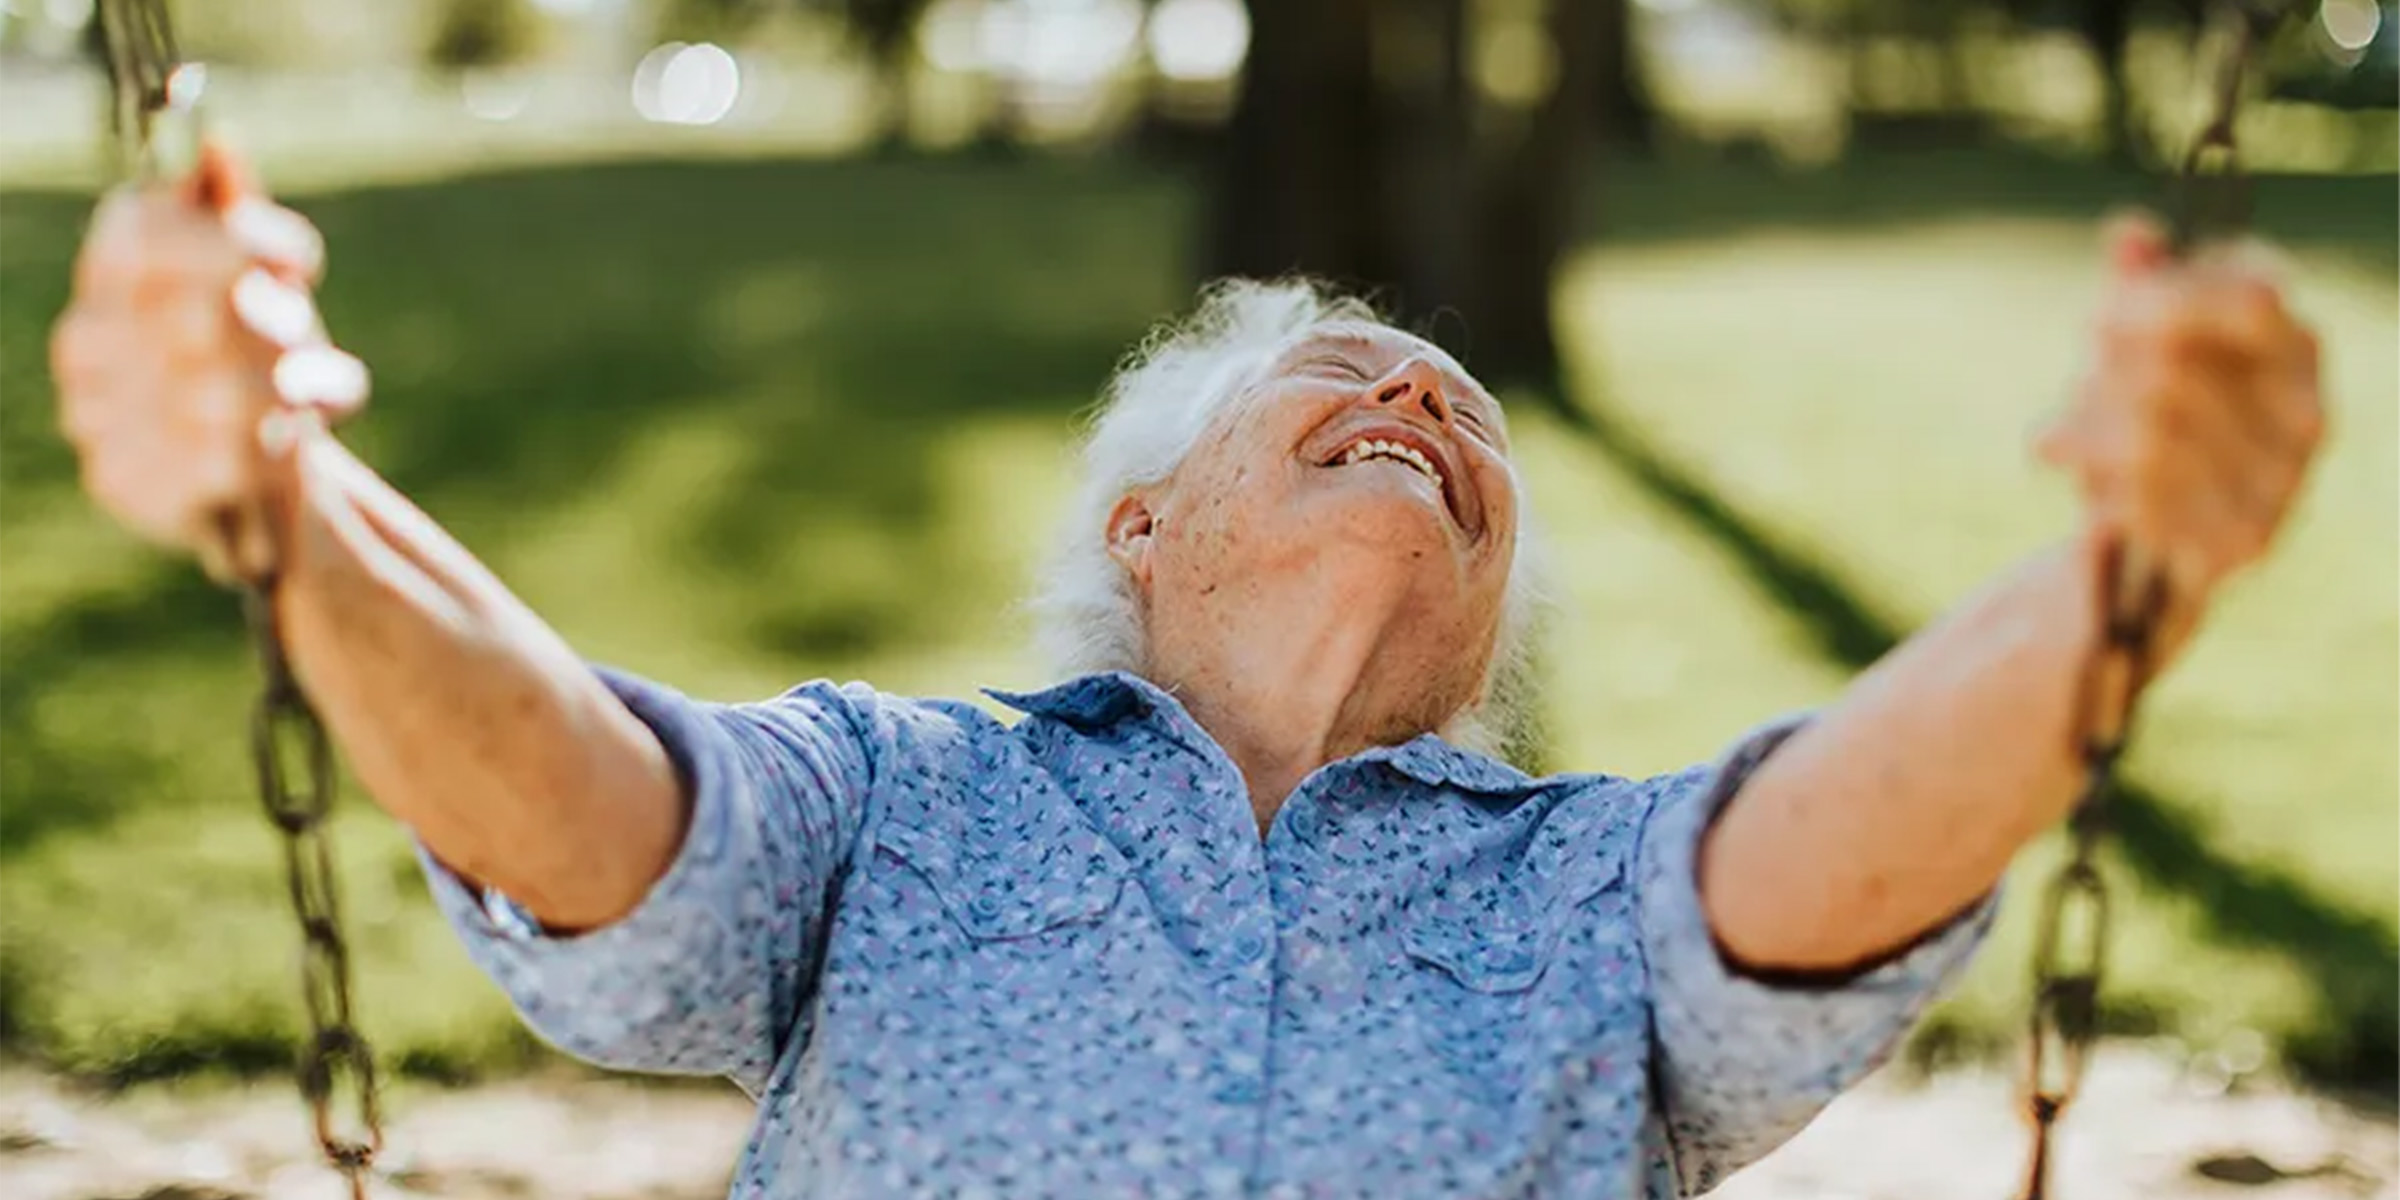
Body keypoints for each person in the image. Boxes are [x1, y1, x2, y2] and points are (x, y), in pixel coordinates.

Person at [50, 145, 2325, 1199]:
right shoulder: (896, 797)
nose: (1427, 409)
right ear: (1143, 526)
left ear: (1482, 631)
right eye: (1348, 382)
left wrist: (2133, 573)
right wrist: (289, 502)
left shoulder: (1586, 889)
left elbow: (1820, 842)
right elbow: (605, 834)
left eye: (1469, 429)